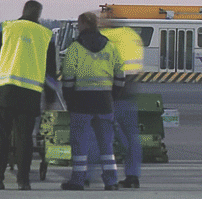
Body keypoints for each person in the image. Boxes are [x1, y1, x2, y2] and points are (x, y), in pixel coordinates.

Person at [58, 12, 143, 190]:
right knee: (109, 144)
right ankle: (113, 181)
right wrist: (112, 96)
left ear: (83, 24)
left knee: (83, 143)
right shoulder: (115, 44)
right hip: (108, 100)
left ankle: (80, 180)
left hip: (82, 102)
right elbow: (120, 74)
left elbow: (68, 78)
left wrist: (69, 101)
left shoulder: (76, 47)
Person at [0, 0, 57, 190]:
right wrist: (50, 97)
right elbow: (50, 72)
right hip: (30, 95)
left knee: (2, 136)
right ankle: (24, 181)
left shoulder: (6, 28)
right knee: (25, 138)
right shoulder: (46, 35)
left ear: (23, 11)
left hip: (5, 91)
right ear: (39, 14)